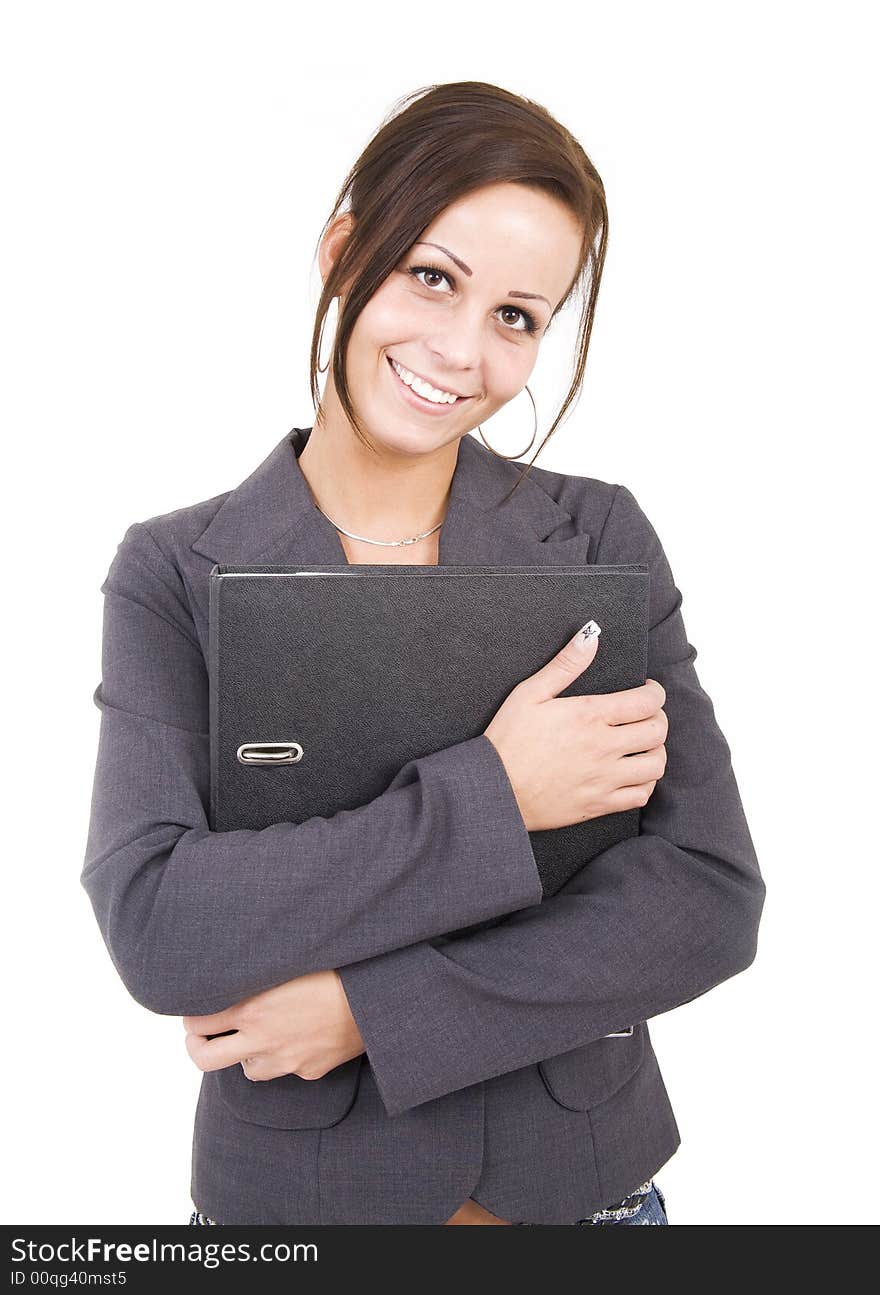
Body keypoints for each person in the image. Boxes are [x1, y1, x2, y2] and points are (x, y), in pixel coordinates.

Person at [81, 80, 765, 1227]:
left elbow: (704, 895)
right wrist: (500, 793)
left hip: (591, 1197)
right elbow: (162, 922)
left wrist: (372, 1007)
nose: (460, 348)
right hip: (295, 1213)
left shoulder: (596, 538)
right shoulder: (175, 570)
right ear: (348, 255)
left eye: (515, 316)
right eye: (432, 277)